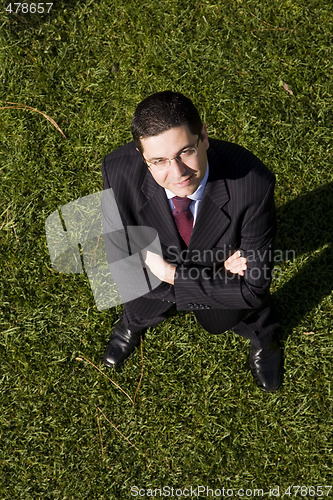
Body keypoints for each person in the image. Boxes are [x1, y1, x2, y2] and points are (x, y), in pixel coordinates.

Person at [101, 91, 282, 392]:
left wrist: (171, 274)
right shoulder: (116, 171)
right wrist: (219, 279)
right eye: (158, 161)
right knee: (139, 301)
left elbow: (252, 289)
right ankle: (133, 324)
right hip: (178, 281)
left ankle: (263, 340)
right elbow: (121, 259)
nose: (178, 174)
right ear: (141, 156)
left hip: (168, 270)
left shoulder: (252, 184)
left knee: (253, 312)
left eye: (185, 151)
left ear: (204, 137)